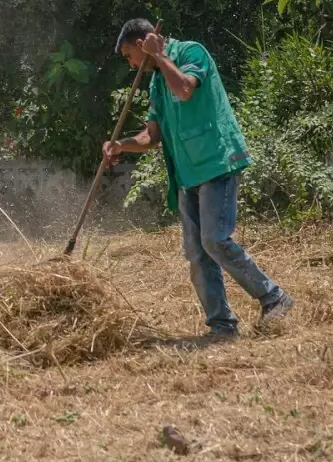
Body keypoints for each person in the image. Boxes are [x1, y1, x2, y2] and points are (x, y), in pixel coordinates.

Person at [103, 18, 293, 338]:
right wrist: (119, 145)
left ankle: (274, 297)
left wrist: (160, 57)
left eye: (129, 56)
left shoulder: (191, 53)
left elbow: (187, 89)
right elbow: (152, 136)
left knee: (214, 239)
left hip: (217, 160)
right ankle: (221, 324)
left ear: (142, 45)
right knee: (196, 251)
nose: (131, 64)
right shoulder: (157, 84)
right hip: (187, 173)